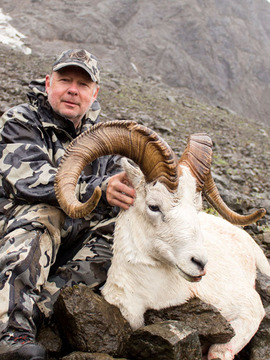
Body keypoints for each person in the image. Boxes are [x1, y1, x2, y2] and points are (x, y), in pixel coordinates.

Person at [0, 49, 135, 360]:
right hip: (18, 228)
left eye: (83, 84)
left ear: (94, 92)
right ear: (49, 83)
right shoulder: (20, 120)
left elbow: (120, 182)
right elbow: (29, 179)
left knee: (125, 229)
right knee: (45, 214)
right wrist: (99, 189)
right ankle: (11, 333)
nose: (73, 89)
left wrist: (130, 193)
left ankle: (42, 310)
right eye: (65, 80)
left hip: (69, 241)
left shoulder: (106, 139)